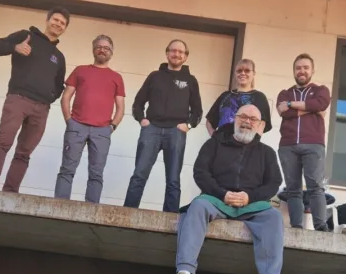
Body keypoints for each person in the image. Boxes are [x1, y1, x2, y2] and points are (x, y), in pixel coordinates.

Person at [167, 104, 286, 274]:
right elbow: (201, 173)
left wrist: (249, 197)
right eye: (243, 116)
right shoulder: (213, 144)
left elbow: (273, 183)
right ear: (235, 119)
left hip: (252, 204)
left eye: (253, 119)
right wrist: (222, 194)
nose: (247, 121)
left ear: (260, 125)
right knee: (197, 206)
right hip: (216, 199)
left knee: (274, 217)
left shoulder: (267, 153)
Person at [0, 7, 70, 192]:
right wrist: (14, 47)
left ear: (65, 28)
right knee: (4, 140)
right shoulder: (26, 36)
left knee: (24, 153)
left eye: (62, 23)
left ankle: (10, 191)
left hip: (41, 108)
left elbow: (59, 85)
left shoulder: (59, 57)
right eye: (56, 20)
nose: (58, 24)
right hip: (18, 99)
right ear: (47, 20)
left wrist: (48, 98)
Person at [123, 39, 203, 213]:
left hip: (176, 132)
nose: (176, 54)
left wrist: (188, 125)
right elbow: (138, 103)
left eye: (181, 52)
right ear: (167, 53)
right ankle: (127, 214)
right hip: (151, 130)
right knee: (139, 175)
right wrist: (142, 120)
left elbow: (197, 111)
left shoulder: (190, 80)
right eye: (173, 51)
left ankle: (171, 220)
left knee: (173, 179)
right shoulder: (154, 76)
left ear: (186, 56)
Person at [54, 35, 125, 203]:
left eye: (106, 48)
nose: (102, 50)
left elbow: (121, 107)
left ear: (111, 52)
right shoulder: (80, 70)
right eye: (99, 47)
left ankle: (91, 210)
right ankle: (59, 206)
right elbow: (66, 97)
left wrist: (112, 127)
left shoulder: (116, 77)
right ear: (93, 50)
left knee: (96, 173)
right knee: (67, 169)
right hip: (77, 126)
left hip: (102, 131)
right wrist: (69, 120)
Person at [275, 53, 332, 230]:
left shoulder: (321, 90)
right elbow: (283, 112)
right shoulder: (285, 93)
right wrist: (311, 108)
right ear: (294, 71)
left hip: (313, 144)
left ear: (312, 71)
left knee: (315, 186)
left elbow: (321, 104)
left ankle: (320, 226)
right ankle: (296, 227)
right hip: (288, 145)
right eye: (298, 68)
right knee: (293, 188)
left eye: (306, 68)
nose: (302, 71)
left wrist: (291, 104)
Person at [205, 59, 272, 136]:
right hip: (222, 142)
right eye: (239, 71)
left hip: (246, 142)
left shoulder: (259, 97)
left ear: (253, 73)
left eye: (247, 70)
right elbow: (210, 121)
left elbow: (262, 124)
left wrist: (255, 141)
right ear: (235, 73)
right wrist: (214, 138)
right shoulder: (225, 96)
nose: (242, 73)